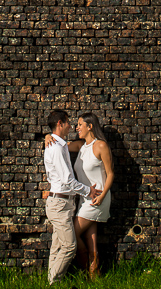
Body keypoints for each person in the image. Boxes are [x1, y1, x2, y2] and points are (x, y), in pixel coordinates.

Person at [42, 111, 114, 278]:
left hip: (97, 197)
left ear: (90, 126)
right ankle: (93, 273)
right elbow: (59, 145)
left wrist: (102, 196)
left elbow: (110, 174)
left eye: (80, 125)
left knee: (72, 234)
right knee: (91, 237)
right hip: (85, 197)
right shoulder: (81, 146)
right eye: (75, 124)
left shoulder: (101, 145)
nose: (76, 127)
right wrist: (47, 136)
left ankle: (83, 268)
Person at [42, 109, 95, 284]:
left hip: (63, 203)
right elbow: (67, 180)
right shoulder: (56, 148)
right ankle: (53, 282)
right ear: (60, 123)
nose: (71, 126)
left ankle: (51, 280)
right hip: (59, 204)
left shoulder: (59, 145)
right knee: (70, 247)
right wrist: (89, 191)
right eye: (68, 122)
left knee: (57, 246)